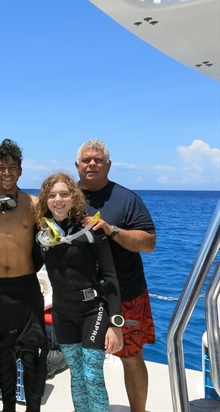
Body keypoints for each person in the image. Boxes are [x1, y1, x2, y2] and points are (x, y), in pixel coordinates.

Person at [75, 139, 156, 412]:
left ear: (108, 165)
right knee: (83, 359)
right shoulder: (66, 198)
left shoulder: (127, 199)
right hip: (83, 297)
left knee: (131, 357)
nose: (92, 164)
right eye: (87, 160)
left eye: (98, 160)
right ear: (77, 166)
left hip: (127, 294)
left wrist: (112, 230)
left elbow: (149, 243)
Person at [35, 172, 123, 412]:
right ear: (45, 200)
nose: (58, 200)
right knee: (76, 374)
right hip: (64, 314)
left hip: (92, 311)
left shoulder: (90, 230)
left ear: (73, 198)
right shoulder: (42, 235)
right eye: (52, 195)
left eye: (64, 194)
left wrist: (116, 324)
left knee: (92, 374)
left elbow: (110, 276)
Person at [0, 138, 47, 412]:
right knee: (3, 352)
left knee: (31, 353)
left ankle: (33, 409)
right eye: (0, 167)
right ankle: (7, 409)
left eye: (12, 167)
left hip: (26, 287)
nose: (6, 173)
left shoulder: (34, 203)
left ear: (21, 171)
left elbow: (54, 235)